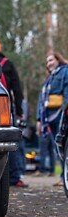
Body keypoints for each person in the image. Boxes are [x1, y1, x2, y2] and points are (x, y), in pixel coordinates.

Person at [0, 36, 28, 187]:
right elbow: (17, 90)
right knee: (11, 143)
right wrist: (20, 111)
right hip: (5, 110)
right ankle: (14, 178)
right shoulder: (7, 64)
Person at [36, 52, 68, 186]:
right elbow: (41, 100)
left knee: (63, 145)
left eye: (51, 60)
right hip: (49, 117)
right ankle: (63, 176)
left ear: (58, 60)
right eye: (47, 62)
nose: (48, 63)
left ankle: (64, 176)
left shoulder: (64, 72)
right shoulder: (49, 79)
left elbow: (67, 90)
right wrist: (39, 119)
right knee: (57, 147)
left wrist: (64, 109)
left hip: (60, 113)